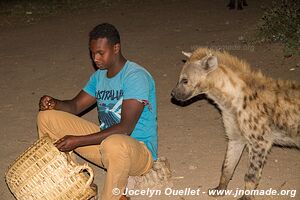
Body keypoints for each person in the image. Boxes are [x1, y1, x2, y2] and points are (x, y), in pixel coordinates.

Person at [37, 23, 157, 200]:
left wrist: (78, 141)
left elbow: (125, 128)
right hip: (106, 146)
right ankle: (70, 182)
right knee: (46, 117)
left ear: (116, 48)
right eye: (92, 53)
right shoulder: (99, 77)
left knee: (114, 143)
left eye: (101, 53)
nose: (95, 58)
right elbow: (75, 106)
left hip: (138, 153)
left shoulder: (135, 76)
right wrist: (54, 103)